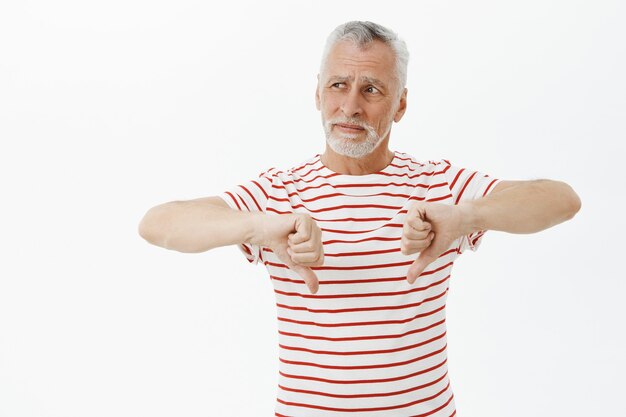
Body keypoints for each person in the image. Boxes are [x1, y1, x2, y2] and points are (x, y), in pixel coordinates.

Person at [138, 21, 580, 417]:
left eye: (371, 89)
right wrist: (258, 227)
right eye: (338, 85)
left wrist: (465, 217)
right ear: (316, 93)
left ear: (401, 104)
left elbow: (561, 200)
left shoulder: (437, 185)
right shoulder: (279, 191)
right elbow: (157, 224)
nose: (350, 106)